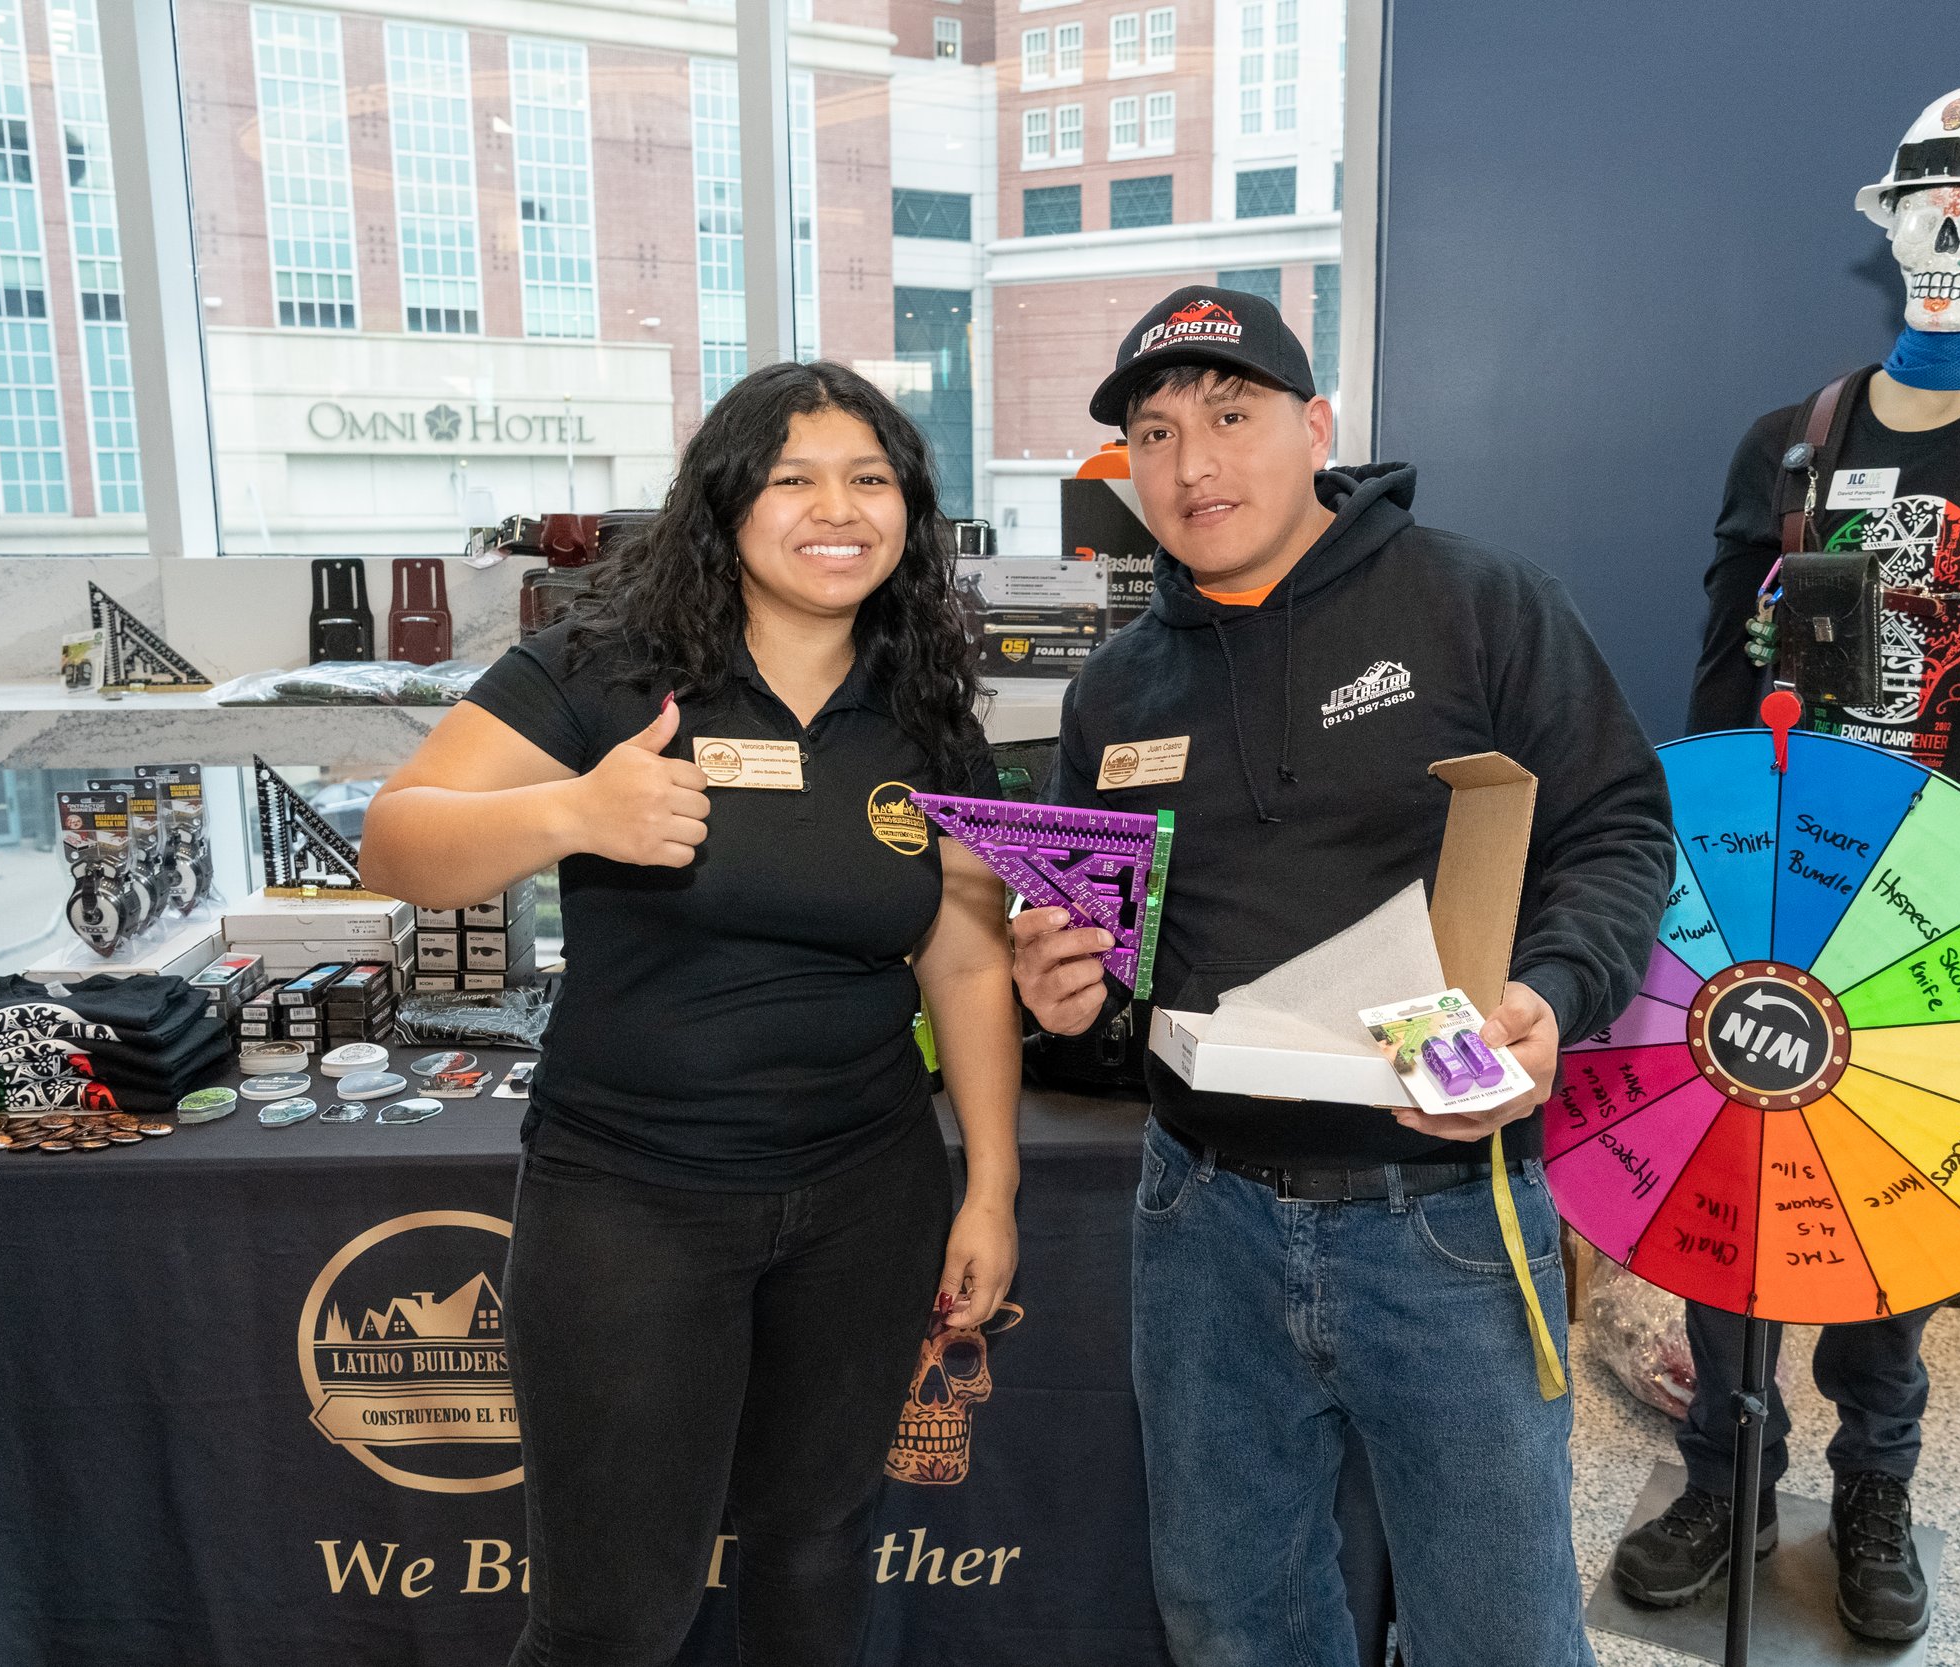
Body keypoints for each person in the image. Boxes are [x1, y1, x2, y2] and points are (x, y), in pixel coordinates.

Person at [1013, 285, 1674, 1666]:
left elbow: (1617, 830)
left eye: (1233, 415)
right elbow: (1116, 976)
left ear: (1316, 426)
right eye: (1155, 432)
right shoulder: (1116, 695)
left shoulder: (1479, 602)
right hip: (1200, 1222)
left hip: (1442, 1211)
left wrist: (1551, 995)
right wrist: (1066, 993)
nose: (1194, 463)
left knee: (1495, 1629)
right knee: (1230, 1615)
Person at [1612, 84, 1960, 1644]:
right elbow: (1726, 676)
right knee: (1737, 1177)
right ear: (1885, 224)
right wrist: (1683, 854)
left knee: (1892, 1212)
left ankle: (1876, 1480)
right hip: (1783, 865)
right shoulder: (1794, 444)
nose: (1944, 229)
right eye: (1919, 202)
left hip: (1956, 884)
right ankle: (1727, 1465)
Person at [359, 360, 1022, 1667]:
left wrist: (990, 1183)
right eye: (793, 479)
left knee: (819, 1548)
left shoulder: (926, 704)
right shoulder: (607, 668)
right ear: (724, 507)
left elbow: (965, 954)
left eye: (870, 479)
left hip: (866, 1193)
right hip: (635, 1201)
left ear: (911, 512)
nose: (837, 508)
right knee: (615, 1612)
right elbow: (396, 841)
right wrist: (571, 813)